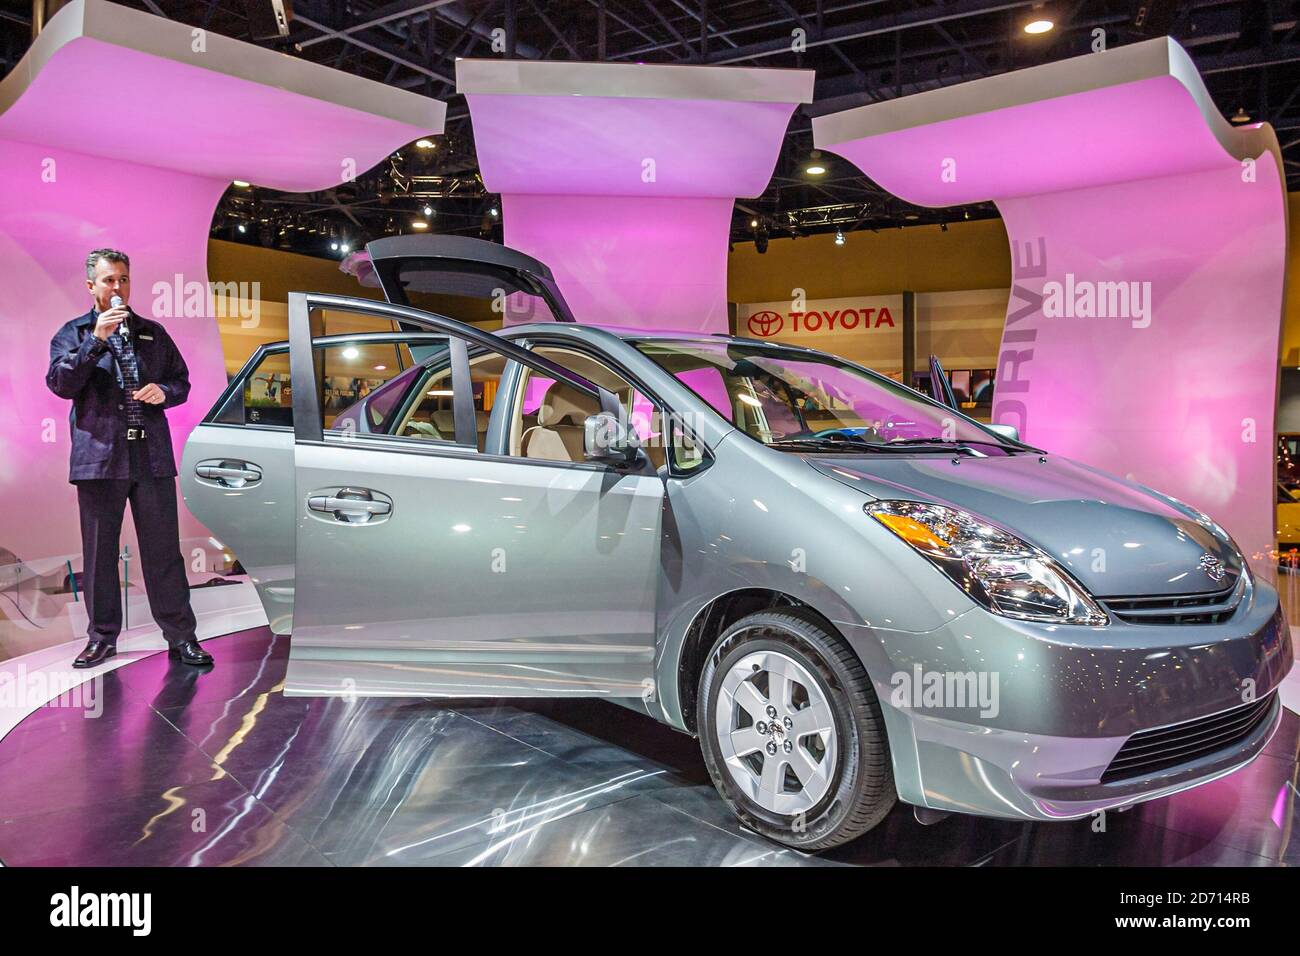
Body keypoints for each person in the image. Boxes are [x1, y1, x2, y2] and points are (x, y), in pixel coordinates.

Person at [45, 249, 213, 669]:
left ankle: (180, 636)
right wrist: (95, 341)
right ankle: (102, 638)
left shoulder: (152, 333)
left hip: (150, 456)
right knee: (100, 555)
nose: (117, 287)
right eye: (108, 281)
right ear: (91, 286)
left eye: (122, 279)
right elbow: (61, 383)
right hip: (99, 460)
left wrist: (166, 392)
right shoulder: (73, 333)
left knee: (163, 552)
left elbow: (182, 381)